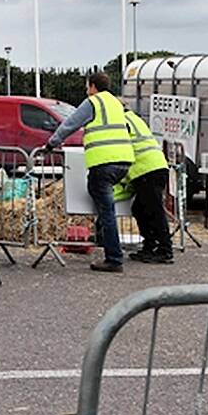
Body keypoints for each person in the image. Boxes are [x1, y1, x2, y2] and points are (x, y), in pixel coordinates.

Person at [45, 72, 134, 273]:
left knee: (106, 208)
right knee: (100, 196)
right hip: (124, 161)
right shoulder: (115, 103)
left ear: (92, 86)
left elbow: (70, 124)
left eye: (87, 86)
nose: (87, 90)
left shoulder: (93, 102)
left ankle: (113, 257)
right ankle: (103, 236)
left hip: (104, 162)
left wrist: (52, 143)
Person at [123, 108, 174, 264]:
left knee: (154, 210)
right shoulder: (134, 118)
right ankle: (150, 244)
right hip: (156, 166)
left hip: (146, 170)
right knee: (139, 208)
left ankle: (165, 249)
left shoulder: (121, 122)